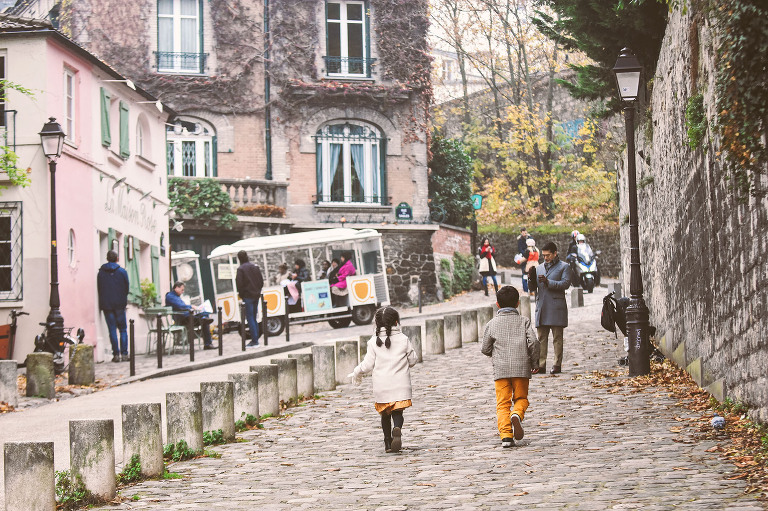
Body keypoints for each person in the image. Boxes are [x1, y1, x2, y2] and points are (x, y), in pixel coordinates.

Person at [347, 306, 417, 453]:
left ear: (376, 324)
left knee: (385, 415)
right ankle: (397, 428)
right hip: (400, 385)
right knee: (398, 413)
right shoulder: (403, 339)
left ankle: (387, 443)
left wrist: (357, 371)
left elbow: (367, 365)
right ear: (397, 322)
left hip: (381, 387)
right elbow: (412, 360)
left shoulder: (373, 342)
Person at [480, 286, 540, 448]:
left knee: (502, 403)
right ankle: (517, 414)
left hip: (501, 370)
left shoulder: (492, 324)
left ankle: (506, 436)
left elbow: (485, 349)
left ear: (497, 305)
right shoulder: (524, 321)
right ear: (518, 303)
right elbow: (533, 342)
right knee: (521, 399)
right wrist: (534, 362)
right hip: (521, 368)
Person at [534, 242, 572, 374]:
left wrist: (548, 282)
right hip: (542, 306)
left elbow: (565, 284)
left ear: (555, 253)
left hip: (556, 307)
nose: (545, 258)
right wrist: (530, 279)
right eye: (543, 255)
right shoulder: (538, 268)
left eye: (548, 255)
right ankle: (541, 364)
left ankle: (557, 364)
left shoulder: (564, 267)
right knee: (541, 338)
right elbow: (534, 288)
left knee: (557, 337)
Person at [96, 250, 130, 362]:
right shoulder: (122, 272)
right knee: (123, 329)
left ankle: (116, 354)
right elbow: (127, 288)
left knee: (112, 330)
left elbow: (100, 288)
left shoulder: (101, 273)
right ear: (117, 258)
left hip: (107, 305)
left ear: (107, 258)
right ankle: (124, 354)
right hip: (120, 304)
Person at [165, 281, 215, 349]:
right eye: (182, 290)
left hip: (186, 316)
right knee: (204, 319)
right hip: (182, 319)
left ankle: (204, 318)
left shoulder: (175, 296)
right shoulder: (170, 296)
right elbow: (180, 306)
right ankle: (208, 344)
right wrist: (191, 306)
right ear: (176, 288)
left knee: (205, 315)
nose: (183, 292)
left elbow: (182, 306)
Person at [236, 250, 264, 348]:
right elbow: (261, 281)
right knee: (254, 317)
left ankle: (255, 340)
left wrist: (242, 294)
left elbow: (239, 284)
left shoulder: (241, 269)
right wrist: (257, 291)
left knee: (250, 317)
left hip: (248, 296)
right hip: (256, 295)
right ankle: (256, 339)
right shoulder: (255, 267)